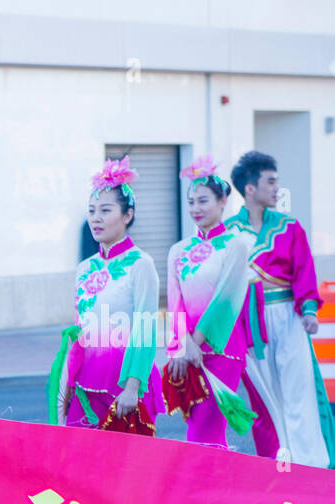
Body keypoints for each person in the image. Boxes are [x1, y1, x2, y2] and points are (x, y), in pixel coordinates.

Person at [225, 150, 335, 468]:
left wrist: (310, 311)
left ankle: (310, 464)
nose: (276, 188)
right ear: (249, 189)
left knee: (299, 392)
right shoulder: (229, 232)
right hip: (248, 324)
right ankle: (274, 464)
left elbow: (304, 273)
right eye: (270, 181)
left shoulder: (290, 227)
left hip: (287, 316)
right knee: (263, 398)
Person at [48, 157, 164, 433]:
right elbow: (80, 329)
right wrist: (67, 381)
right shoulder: (85, 268)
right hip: (85, 382)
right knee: (79, 461)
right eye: (91, 210)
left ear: (127, 215)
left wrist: (133, 386)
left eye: (105, 210)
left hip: (124, 386)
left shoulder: (141, 264)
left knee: (125, 468)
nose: (96, 218)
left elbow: (146, 329)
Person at [163, 156, 254, 449]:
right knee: (197, 425)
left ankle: (202, 487)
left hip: (221, 348)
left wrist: (195, 343)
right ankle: (212, 486)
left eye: (203, 201)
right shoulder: (179, 250)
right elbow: (174, 303)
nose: (195, 209)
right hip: (186, 351)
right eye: (191, 202)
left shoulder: (236, 244)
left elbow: (225, 301)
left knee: (208, 425)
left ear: (223, 200)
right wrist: (180, 347)